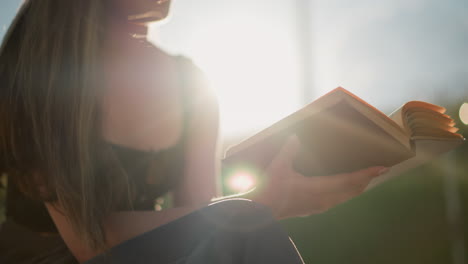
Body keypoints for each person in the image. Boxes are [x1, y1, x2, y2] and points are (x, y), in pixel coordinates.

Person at [0, 0, 389, 263]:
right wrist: (257, 204)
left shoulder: (190, 82)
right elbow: (89, 241)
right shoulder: (35, 68)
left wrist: (266, 203)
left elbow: (201, 218)